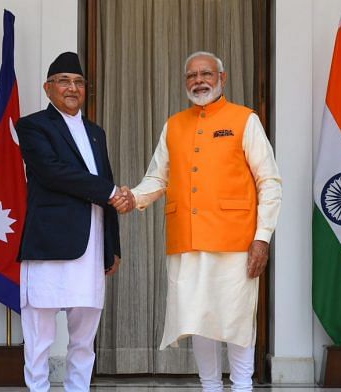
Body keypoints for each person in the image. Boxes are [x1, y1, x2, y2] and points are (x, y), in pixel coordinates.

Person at [114, 51, 282, 391]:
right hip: (186, 241)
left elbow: (270, 182)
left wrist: (262, 237)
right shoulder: (174, 124)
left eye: (206, 73)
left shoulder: (245, 119)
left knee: (235, 321)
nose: (199, 80)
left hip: (236, 241)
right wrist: (135, 197)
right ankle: (209, 386)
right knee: (198, 320)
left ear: (223, 78)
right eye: (191, 76)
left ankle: (242, 386)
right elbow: (157, 178)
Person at [15, 52, 130, 392]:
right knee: (39, 338)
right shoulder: (33, 125)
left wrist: (113, 247)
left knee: (83, 339)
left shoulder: (96, 132)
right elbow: (54, 173)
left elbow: (104, 180)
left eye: (79, 82)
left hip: (91, 246)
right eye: (64, 81)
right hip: (50, 243)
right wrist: (111, 192)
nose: (72, 88)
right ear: (48, 88)